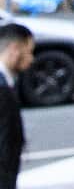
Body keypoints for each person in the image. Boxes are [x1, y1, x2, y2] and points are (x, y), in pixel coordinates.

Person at [0, 23, 33, 189]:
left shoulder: (8, 82)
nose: (31, 59)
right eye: (29, 52)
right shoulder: (2, 89)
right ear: (15, 49)